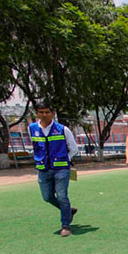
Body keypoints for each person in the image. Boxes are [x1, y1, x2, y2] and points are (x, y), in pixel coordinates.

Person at [29, 101, 79, 237]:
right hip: (43, 169)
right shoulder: (32, 129)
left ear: (53, 113)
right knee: (47, 196)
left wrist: (65, 159)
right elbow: (35, 146)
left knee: (62, 195)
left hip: (61, 169)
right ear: (37, 113)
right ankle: (68, 210)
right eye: (41, 112)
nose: (44, 115)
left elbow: (74, 149)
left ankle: (65, 225)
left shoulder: (62, 129)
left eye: (47, 112)